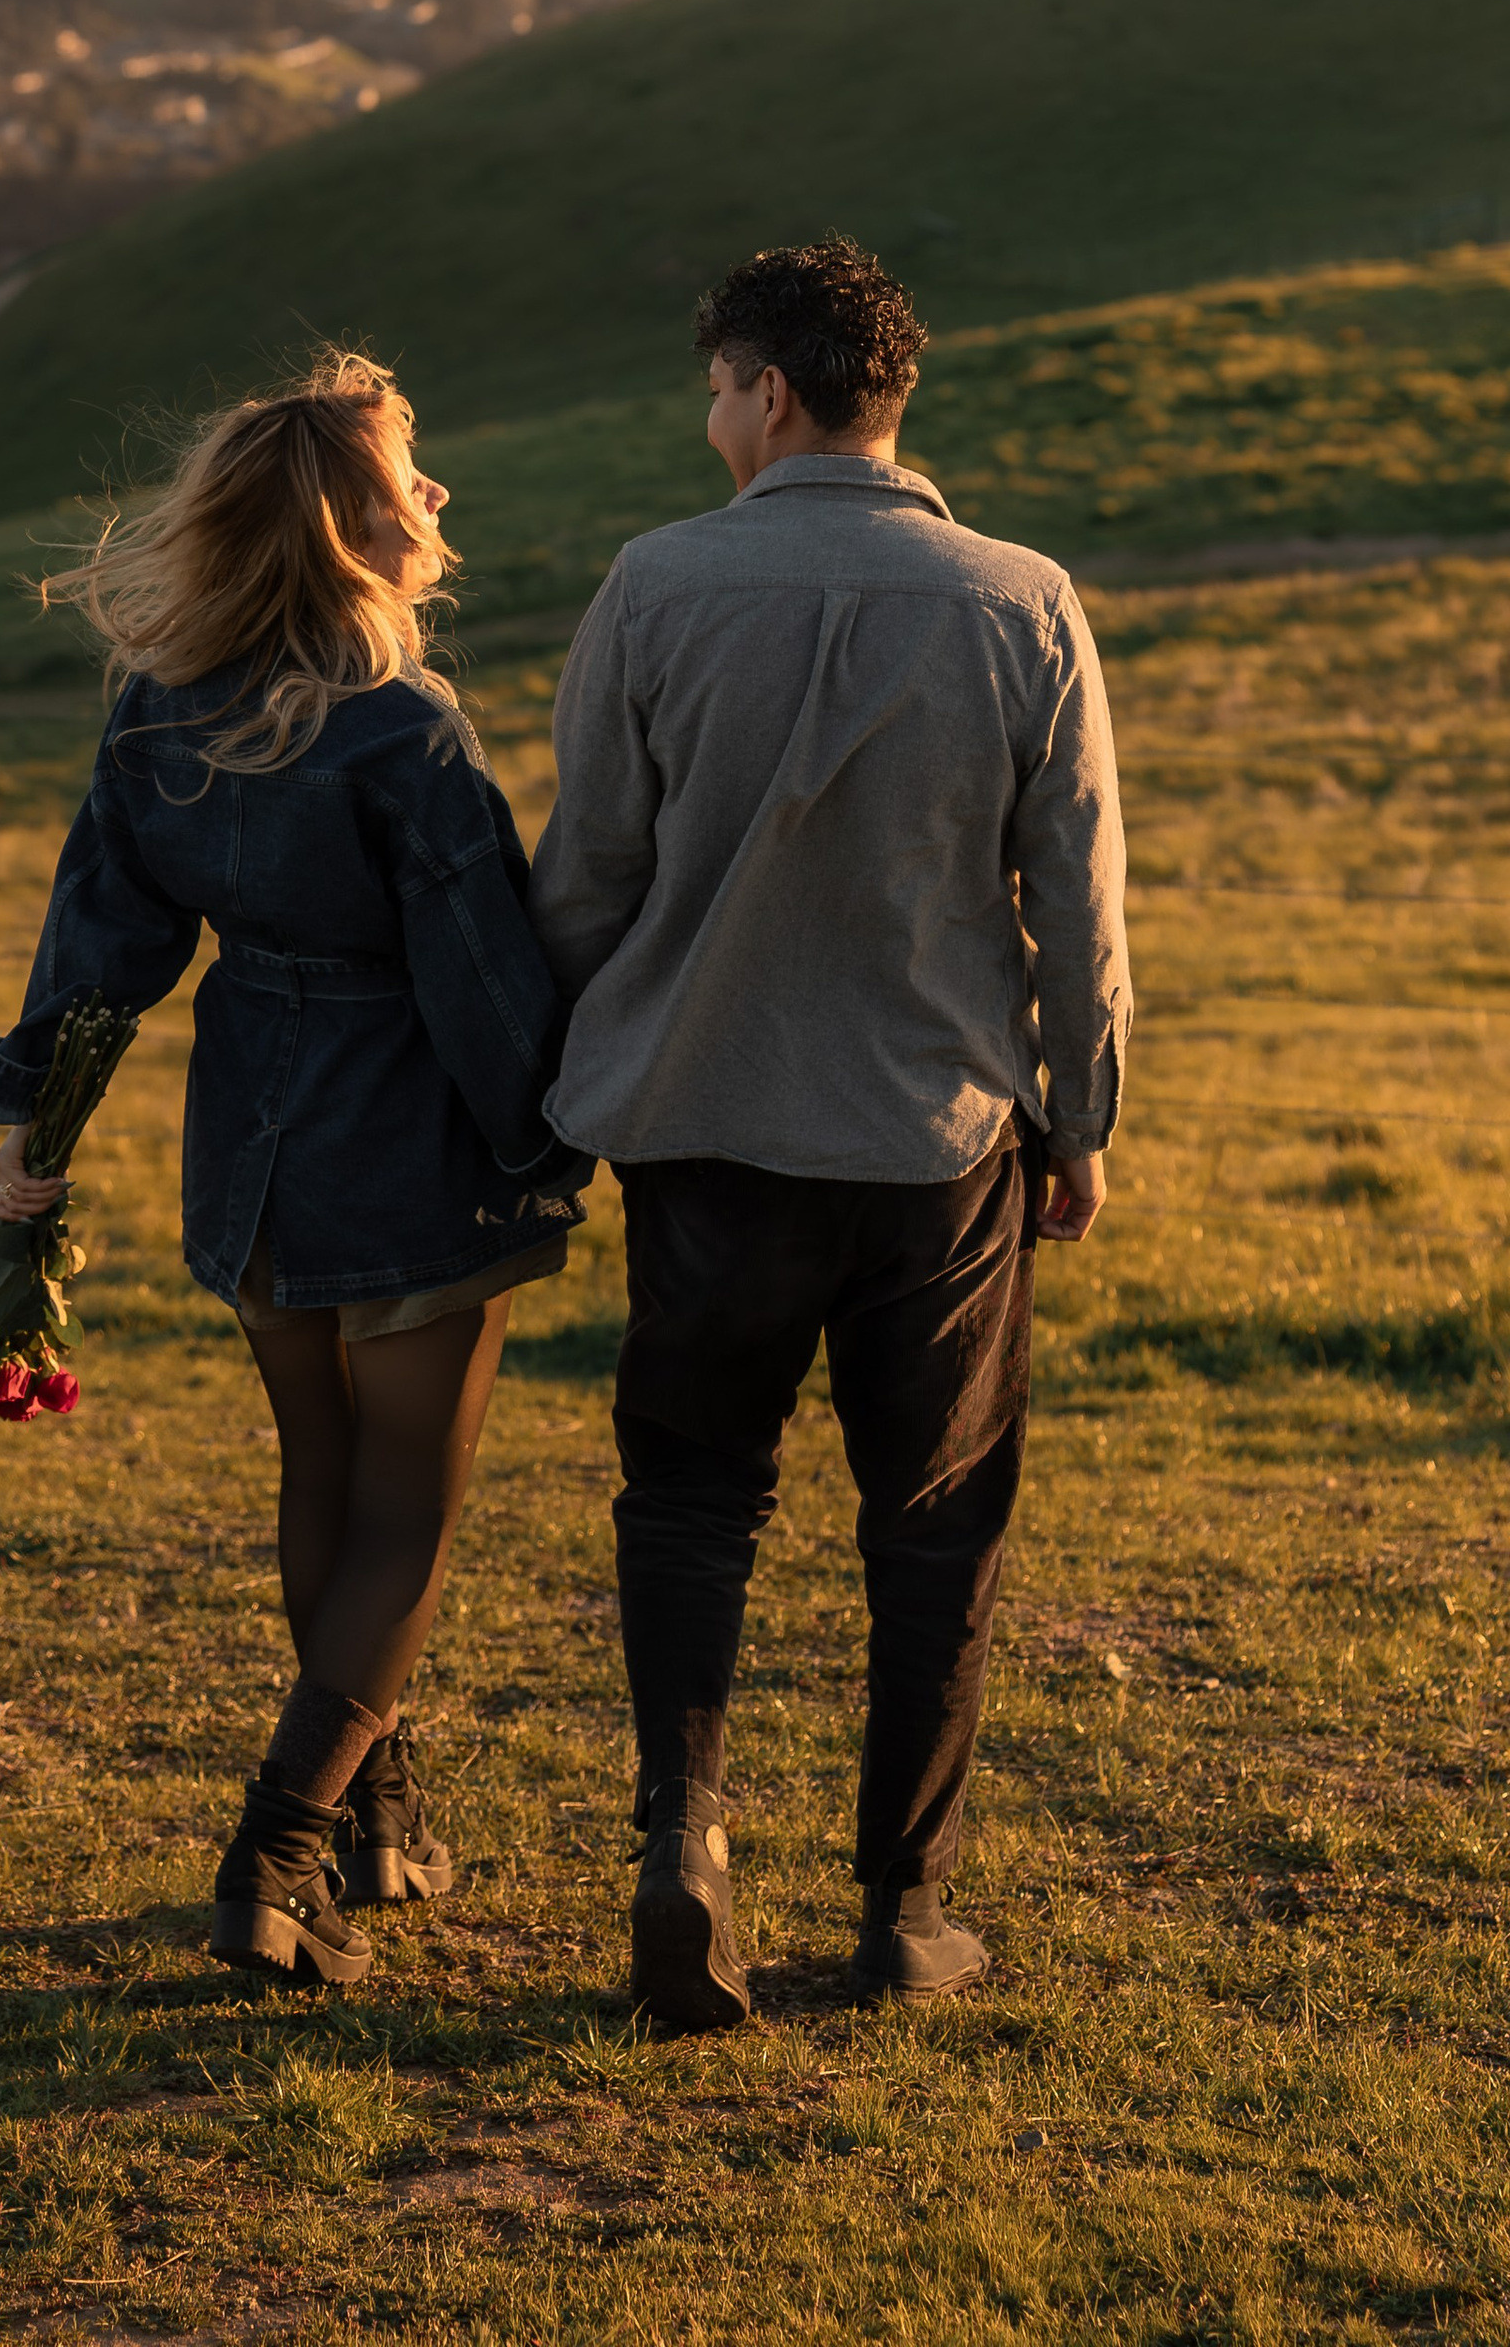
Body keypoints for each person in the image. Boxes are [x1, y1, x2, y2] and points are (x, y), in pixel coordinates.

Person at [529, 235, 1130, 2028]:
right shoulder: (1026, 601)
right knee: (933, 1526)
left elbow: (585, 884)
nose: (709, 417)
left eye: (716, 388)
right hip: (936, 1153)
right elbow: (1079, 908)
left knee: (694, 1499)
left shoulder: (650, 589)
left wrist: (559, 1088)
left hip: (704, 1133)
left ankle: (684, 1857)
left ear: (768, 392)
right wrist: (1080, 1119)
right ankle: (905, 1912)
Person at [0, 351, 582, 1989]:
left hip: (246, 1139)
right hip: (410, 1138)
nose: (437, 495)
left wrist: (30, 1149)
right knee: (408, 1527)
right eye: (412, 473)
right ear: (353, 524)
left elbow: (95, 954)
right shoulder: (402, 725)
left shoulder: (163, 704)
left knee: (324, 1483)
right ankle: (276, 1855)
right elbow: (480, 973)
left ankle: (381, 1828)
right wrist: (549, 1143)